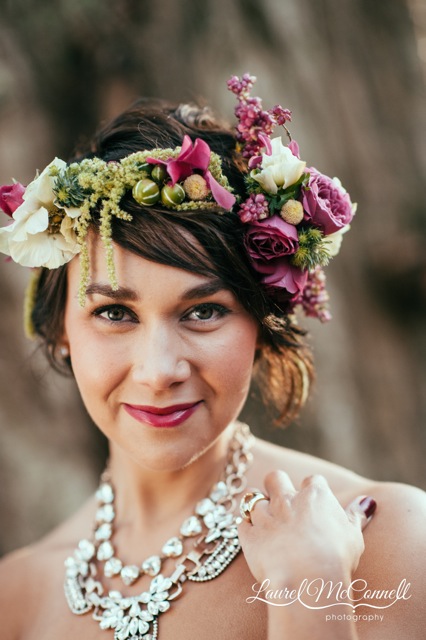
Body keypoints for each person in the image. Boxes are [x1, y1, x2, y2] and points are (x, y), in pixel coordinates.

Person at [0, 73, 424, 640]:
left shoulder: (388, 539)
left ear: (262, 321)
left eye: (203, 312)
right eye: (114, 313)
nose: (158, 372)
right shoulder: (17, 597)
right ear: (60, 333)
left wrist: (311, 589)